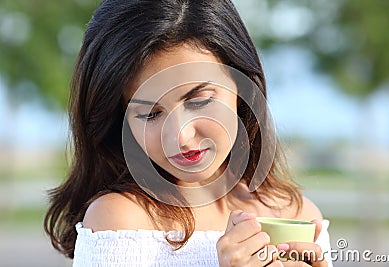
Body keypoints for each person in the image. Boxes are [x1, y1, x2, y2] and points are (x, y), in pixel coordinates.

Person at [44, 0, 333, 266]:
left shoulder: (297, 218)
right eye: (150, 114)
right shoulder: (121, 222)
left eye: (198, 101)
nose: (180, 137)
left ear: (241, 86)